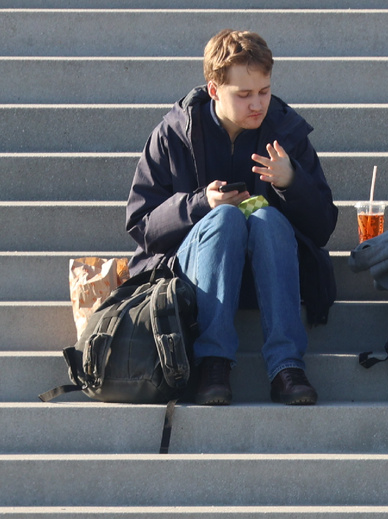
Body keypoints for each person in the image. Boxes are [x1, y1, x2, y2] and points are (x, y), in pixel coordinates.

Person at [126, 29, 338, 406]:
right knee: (223, 219)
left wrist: (292, 183)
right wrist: (199, 204)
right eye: (243, 95)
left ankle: (287, 367)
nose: (257, 104)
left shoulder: (286, 132)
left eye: (264, 91)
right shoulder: (174, 133)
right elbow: (141, 225)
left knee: (268, 219)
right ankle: (213, 364)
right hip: (193, 275)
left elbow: (323, 228)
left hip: (269, 271)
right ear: (213, 90)